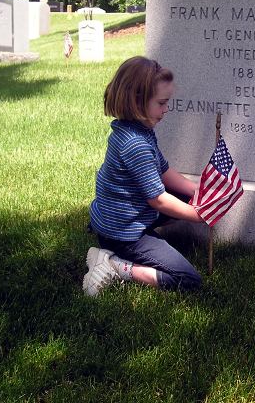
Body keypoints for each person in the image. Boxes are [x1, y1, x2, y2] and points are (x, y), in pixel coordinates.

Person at [83, 56, 204, 296]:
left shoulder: (137, 130)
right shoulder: (135, 144)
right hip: (122, 234)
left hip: (124, 215)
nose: (166, 109)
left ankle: (139, 244)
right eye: (161, 103)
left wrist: (198, 192)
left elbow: (164, 171)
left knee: (184, 195)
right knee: (187, 279)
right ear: (138, 102)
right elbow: (157, 199)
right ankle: (116, 265)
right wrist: (197, 215)